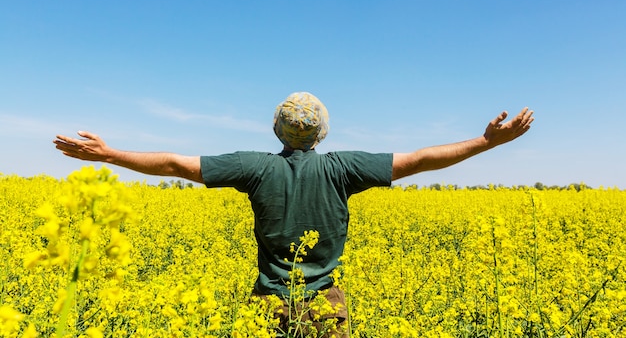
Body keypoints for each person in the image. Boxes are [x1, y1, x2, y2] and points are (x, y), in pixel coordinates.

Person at [54, 92, 534, 337]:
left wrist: (110, 155)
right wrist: (485, 143)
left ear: (276, 130)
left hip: (267, 305)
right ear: (322, 134)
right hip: (327, 304)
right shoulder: (345, 169)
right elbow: (420, 158)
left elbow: (178, 164)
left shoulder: (254, 168)